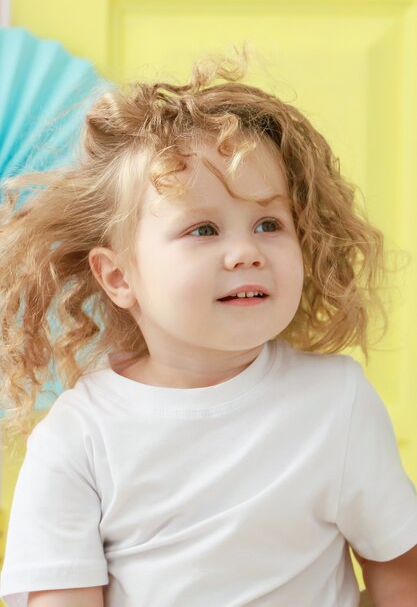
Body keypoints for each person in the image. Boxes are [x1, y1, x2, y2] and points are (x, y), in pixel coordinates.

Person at [0, 47, 416, 607]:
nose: (246, 252)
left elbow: (399, 571)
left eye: (269, 222)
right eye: (202, 230)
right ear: (119, 276)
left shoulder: (335, 403)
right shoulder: (80, 438)